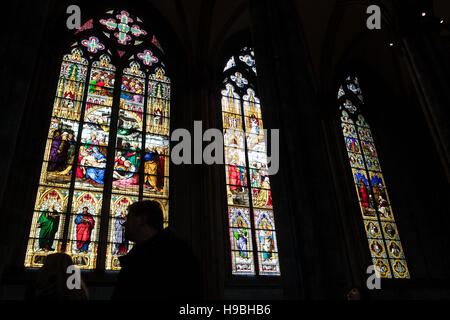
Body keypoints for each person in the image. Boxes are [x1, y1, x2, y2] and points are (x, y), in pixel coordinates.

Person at [111, 200, 203, 300]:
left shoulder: (174, 254)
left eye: (128, 218)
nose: (124, 224)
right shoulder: (140, 253)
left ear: (142, 219)